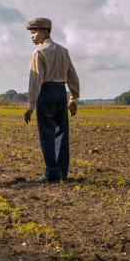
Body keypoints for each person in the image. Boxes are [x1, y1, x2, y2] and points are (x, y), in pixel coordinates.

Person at [22, 17, 80, 183]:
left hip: (46, 92)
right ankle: (63, 172)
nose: (32, 36)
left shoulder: (38, 53)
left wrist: (31, 105)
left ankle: (52, 173)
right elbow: (73, 76)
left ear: (45, 32)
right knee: (61, 133)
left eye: (34, 32)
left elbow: (35, 80)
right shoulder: (63, 51)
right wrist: (73, 97)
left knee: (47, 133)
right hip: (61, 92)